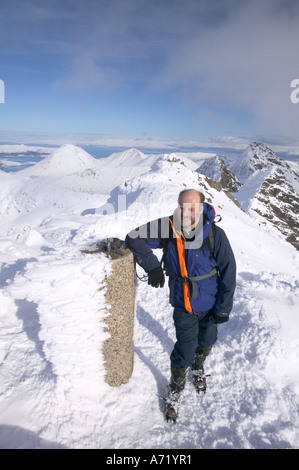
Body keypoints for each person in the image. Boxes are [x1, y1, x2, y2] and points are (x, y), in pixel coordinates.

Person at [125, 189, 236, 421]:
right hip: (183, 303)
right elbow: (133, 237)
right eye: (183, 206)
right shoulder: (168, 227)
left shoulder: (215, 234)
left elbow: (228, 272)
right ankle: (175, 388)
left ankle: (198, 366)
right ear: (178, 206)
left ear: (202, 207)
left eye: (192, 207)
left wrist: (223, 307)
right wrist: (152, 265)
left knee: (207, 340)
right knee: (185, 346)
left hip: (210, 303)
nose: (187, 212)